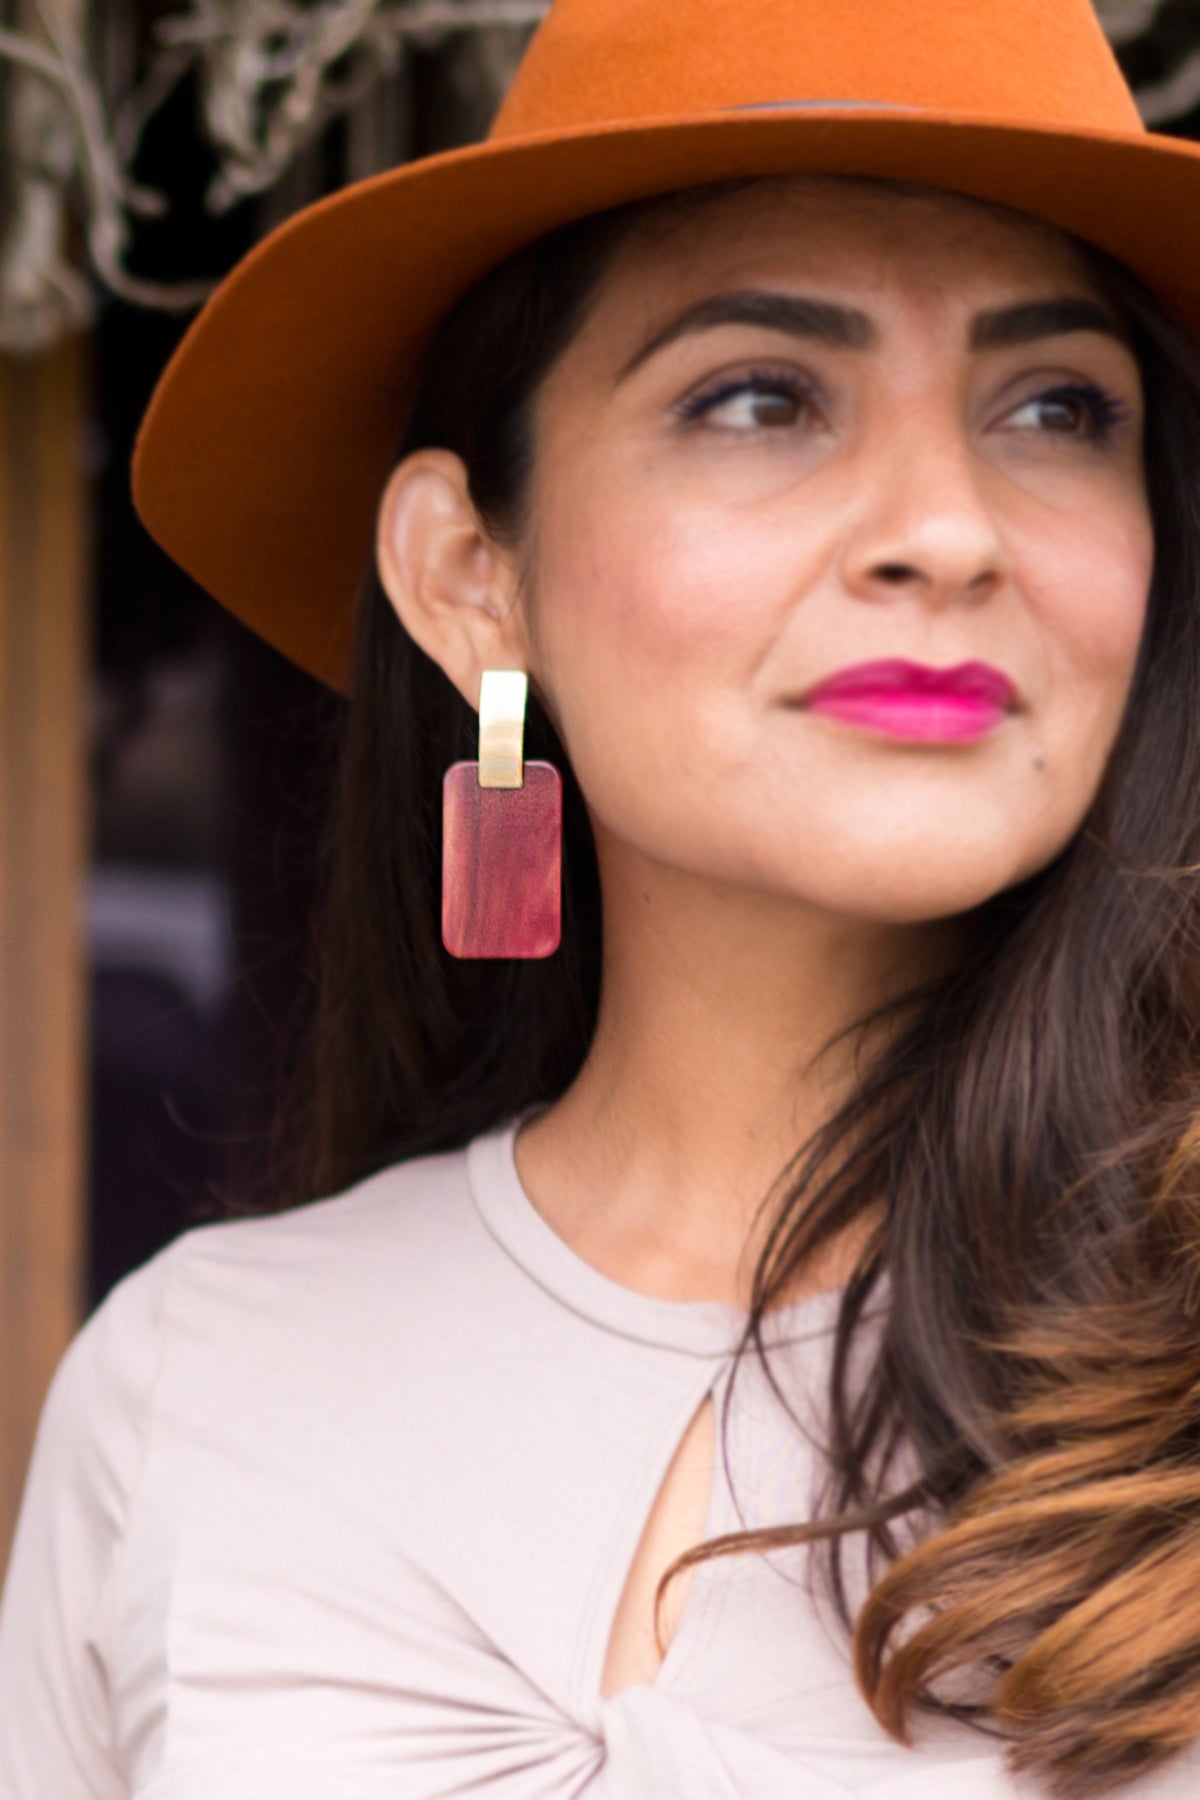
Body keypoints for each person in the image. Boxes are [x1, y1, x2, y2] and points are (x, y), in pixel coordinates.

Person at [6, 0, 1200, 1793]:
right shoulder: (194, 1378)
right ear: (472, 577)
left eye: (1058, 406)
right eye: (758, 396)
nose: (949, 529)